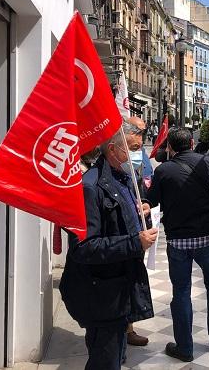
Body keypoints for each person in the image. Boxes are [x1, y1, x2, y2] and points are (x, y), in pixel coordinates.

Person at [59, 121, 158, 370]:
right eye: (134, 148)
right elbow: (85, 247)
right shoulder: (90, 187)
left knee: (115, 355)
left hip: (119, 287)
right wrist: (135, 242)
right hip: (102, 293)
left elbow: (119, 220)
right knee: (105, 360)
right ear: (113, 150)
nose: (139, 154)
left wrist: (141, 213)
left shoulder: (122, 178)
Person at [147, 128, 209, 362]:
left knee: (182, 291)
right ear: (192, 143)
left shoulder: (163, 170)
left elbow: (151, 200)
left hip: (178, 240)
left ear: (170, 148)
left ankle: (185, 347)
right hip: (207, 237)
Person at [125, 116, 155, 347]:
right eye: (135, 146)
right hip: (123, 240)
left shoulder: (133, 163)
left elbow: (142, 186)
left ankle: (128, 327)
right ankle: (122, 331)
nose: (139, 150)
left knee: (132, 280)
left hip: (136, 233)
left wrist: (144, 203)